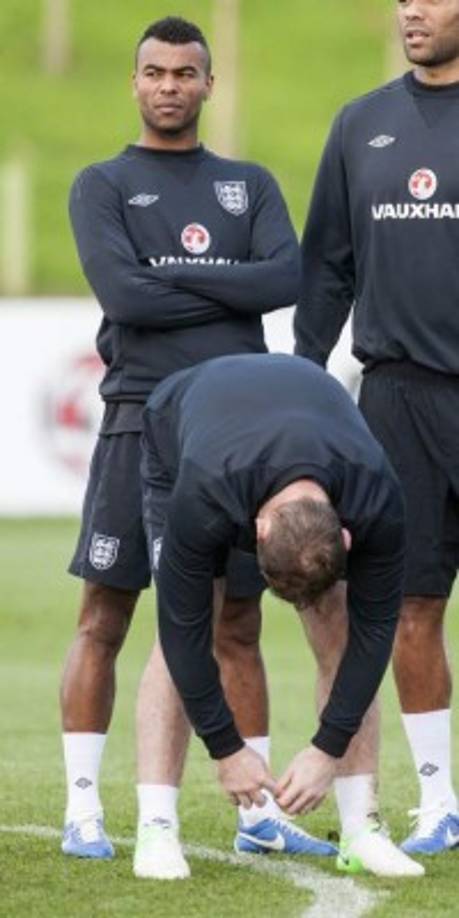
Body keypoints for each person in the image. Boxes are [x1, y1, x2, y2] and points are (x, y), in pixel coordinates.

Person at [60, 14, 318, 864]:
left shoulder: (248, 182)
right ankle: (83, 808)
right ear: (133, 84)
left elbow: (286, 278)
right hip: (141, 419)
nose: (169, 85)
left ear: (210, 84)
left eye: (185, 73)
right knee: (105, 615)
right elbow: (123, 302)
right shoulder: (101, 184)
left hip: (236, 433)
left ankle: (258, 816)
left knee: (236, 622)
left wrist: (165, 272)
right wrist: (225, 289)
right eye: (155, 73)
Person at [137, 352, 423, 879]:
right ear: (257, 531)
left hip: (296, 424)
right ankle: (156, 826)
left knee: (338, 622)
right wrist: (227, 749)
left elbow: (376, 631)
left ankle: (362, 828)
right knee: (190, 617)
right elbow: (184, 633)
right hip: (180, 423)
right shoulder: (204, 494)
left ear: (345, 536)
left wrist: (326, 749)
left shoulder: (377, 495)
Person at [295, 0, 459, 858]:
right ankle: (439, 801)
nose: (412, 11)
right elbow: (326, 262)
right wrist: (303, 374)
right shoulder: (361, 125)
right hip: (395, 399)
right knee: (407, 604)